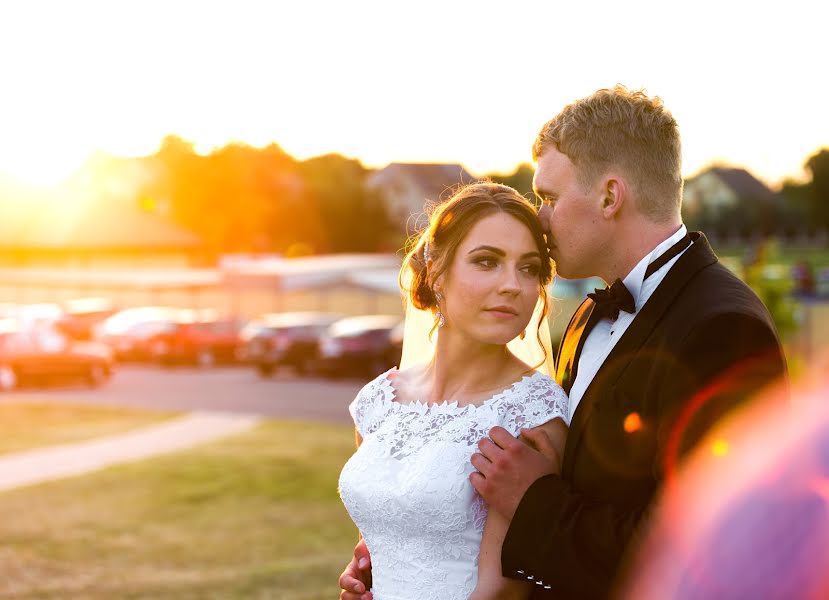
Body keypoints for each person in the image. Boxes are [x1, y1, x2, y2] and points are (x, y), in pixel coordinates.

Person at [340, 85, 788, 599]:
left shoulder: (723, 325)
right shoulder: (585, 319)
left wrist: (536, 501)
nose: (542, 218)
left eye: (549, 197)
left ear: (609, 196)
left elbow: (704, 543)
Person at [338, 182, 569, 600]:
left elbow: (503, 589)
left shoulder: (533, 413)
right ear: (436, 273)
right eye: (487, 261)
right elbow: (382, 535)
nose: (513, 285)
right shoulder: (378, 402)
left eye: (529, 268)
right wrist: (363, 574)